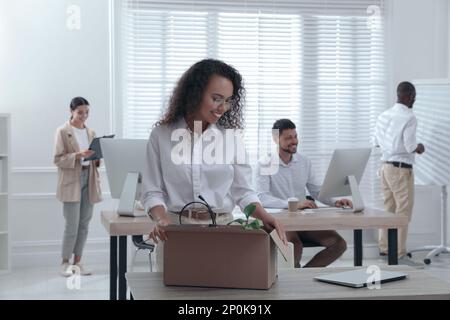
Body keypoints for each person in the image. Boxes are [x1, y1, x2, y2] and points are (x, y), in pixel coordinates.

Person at [140, 59, 287, 269]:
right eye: (216, 98)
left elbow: (243, 192)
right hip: (175, 232)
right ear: (195, 93)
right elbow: (151, 191)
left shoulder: (231, 138)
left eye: (228, 100)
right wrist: (162, 220)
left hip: (223, 230)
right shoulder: (162, 135)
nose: (222, 108)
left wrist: (265, 216)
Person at [256, 119, 348, 268]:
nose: (294, 141)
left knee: (339, 244)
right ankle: (293, 280)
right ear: (275, 139)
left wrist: (335, 201)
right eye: (288, 138)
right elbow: (262, 197)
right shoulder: (265, 163)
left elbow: (316, 190)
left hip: (303, 219)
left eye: (295, 136)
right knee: (295, 247)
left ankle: (304, 276)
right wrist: (294, 204)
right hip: (281, 221)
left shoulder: (304, 162)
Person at [374, 81, 425, 259]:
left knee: (388, 209)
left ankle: (385, 248)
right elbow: (411, 146)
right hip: (401, 170)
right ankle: (400, 254)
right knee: (403, 212)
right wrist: (420, 147)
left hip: (385, 168)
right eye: (413, 96)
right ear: (408, 95)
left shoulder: (383, 115)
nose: (414, 100)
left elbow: (376, 143)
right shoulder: (409, 117)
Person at [53, 97, 102, 277]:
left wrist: (96, 159)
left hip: (89, 181)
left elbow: (96, 162)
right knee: (71, 225)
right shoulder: (62, 131)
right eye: (80, 112)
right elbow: (57, 159)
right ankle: (65, 262)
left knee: (84, 225)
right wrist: (78, 155)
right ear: (71, 111)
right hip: (71, 182)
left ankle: (78, 262)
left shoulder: (91, 132)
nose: (84, 116)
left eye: (87, 112)